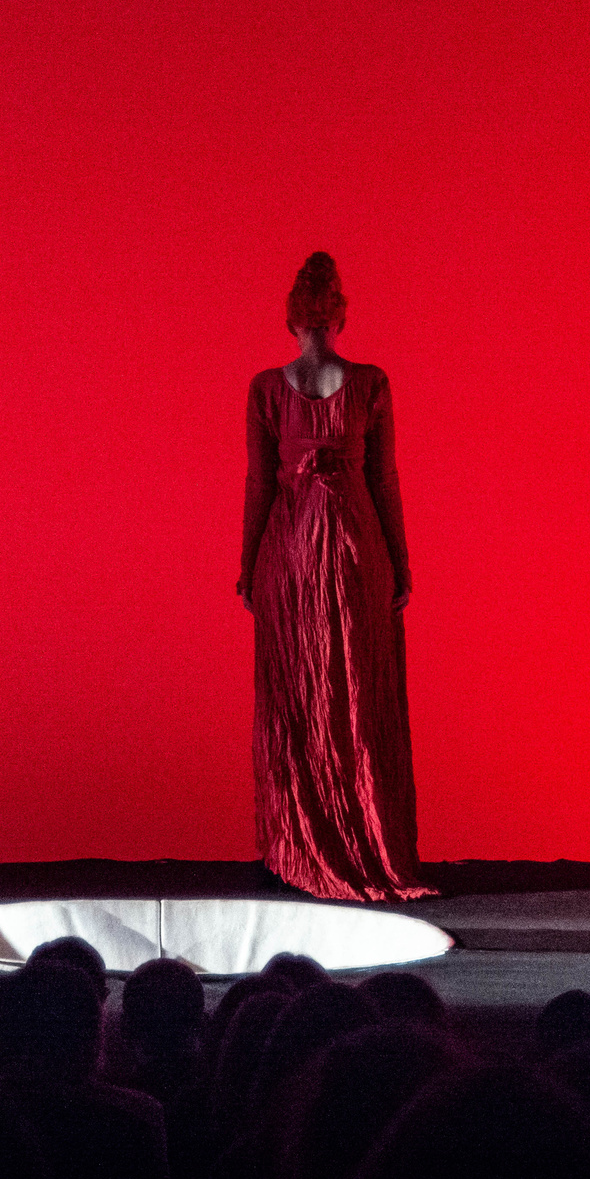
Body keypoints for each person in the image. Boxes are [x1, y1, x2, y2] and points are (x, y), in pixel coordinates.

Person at [238, 253, 432, 901]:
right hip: (353, 545)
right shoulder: (370, 382)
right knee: (353, 689)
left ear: (290, 318)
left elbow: (259, 484)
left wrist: (246, 564)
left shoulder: (268, 387)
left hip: (290, 548)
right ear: (341, 315)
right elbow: (385, 480)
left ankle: (300, 840)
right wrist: (401, 562)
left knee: (301, 693)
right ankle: (364, 837)